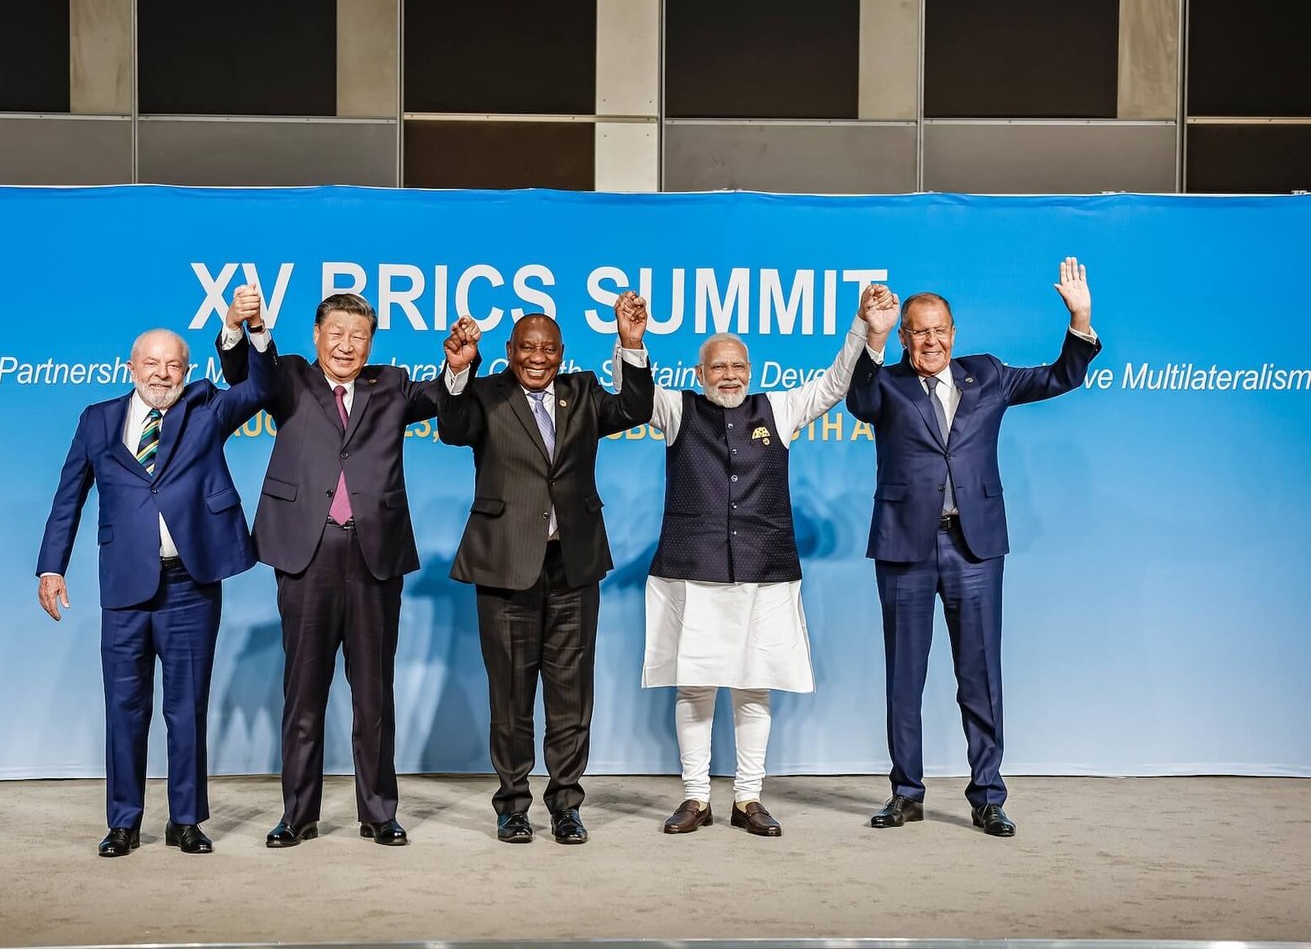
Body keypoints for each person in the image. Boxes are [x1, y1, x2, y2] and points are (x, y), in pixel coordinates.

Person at [846, 258, 1100, 837]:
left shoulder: (986, 374)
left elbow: (1060, 376)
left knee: (980, 676)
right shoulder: (886, 384)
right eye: (918, 331)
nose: (930, 340)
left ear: (953, 334)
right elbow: (857, 398)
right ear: (906, 336)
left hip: (975, 548)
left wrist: (1081, 319)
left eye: (939, 330)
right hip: (905, 547)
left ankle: (987, 795)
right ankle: (906, 793)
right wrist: (873, 333)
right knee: (903, 678)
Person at [636, 284, 899, 837]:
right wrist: (631, 343)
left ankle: (749, 798)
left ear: (750, 370)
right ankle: (696, 798)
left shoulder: (777, 408)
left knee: (755, 686)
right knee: (696, 686)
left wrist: (865, 328)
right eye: (717, 367)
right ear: (700, 372)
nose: (729, 376)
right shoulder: (675, 408)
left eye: (738, 366)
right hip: (692, 570)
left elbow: (833, 383)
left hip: (765, 569)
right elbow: (635, 393)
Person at [36, 288, 276, 857]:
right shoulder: (97, 420)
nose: (163, 374)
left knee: (185, 709)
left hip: (190, 584)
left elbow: (264, 388)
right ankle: (124, 821)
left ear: (187, 370)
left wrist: (251, 330)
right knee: (124, 708)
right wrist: (51, 566)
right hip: (124, 587)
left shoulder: (207, 408)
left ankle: (186, 820)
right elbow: (68, 496)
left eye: (174, 365)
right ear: (130, 367)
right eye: (151, 364)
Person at [217, 290, 446, 848]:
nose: (347, 344)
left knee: (374, 695)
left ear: (371, 343)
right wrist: (239, 328)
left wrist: (458, 366)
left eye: (359, 335)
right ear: (316, 336)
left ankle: (379, 813)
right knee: (304, 692)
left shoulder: (389, 384)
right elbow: (246, 372)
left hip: (374, 553)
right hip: (307, 551)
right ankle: (298, 815)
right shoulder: (289, 377)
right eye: (336, 333)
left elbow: (443, 396)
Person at [436, 293, 652, 845]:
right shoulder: (486, 394)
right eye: (527, 347)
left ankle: (565, 803)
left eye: (548, 349)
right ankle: (512, 805)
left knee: (571, 695)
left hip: (573, 566)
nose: (538, 357)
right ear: (508, 351)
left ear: (562, 353)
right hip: (505, 565)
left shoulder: (581, 394)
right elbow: (453, 428)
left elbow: (635, 409)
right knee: (509, 696)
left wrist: (630, 345)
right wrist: (459, 370)